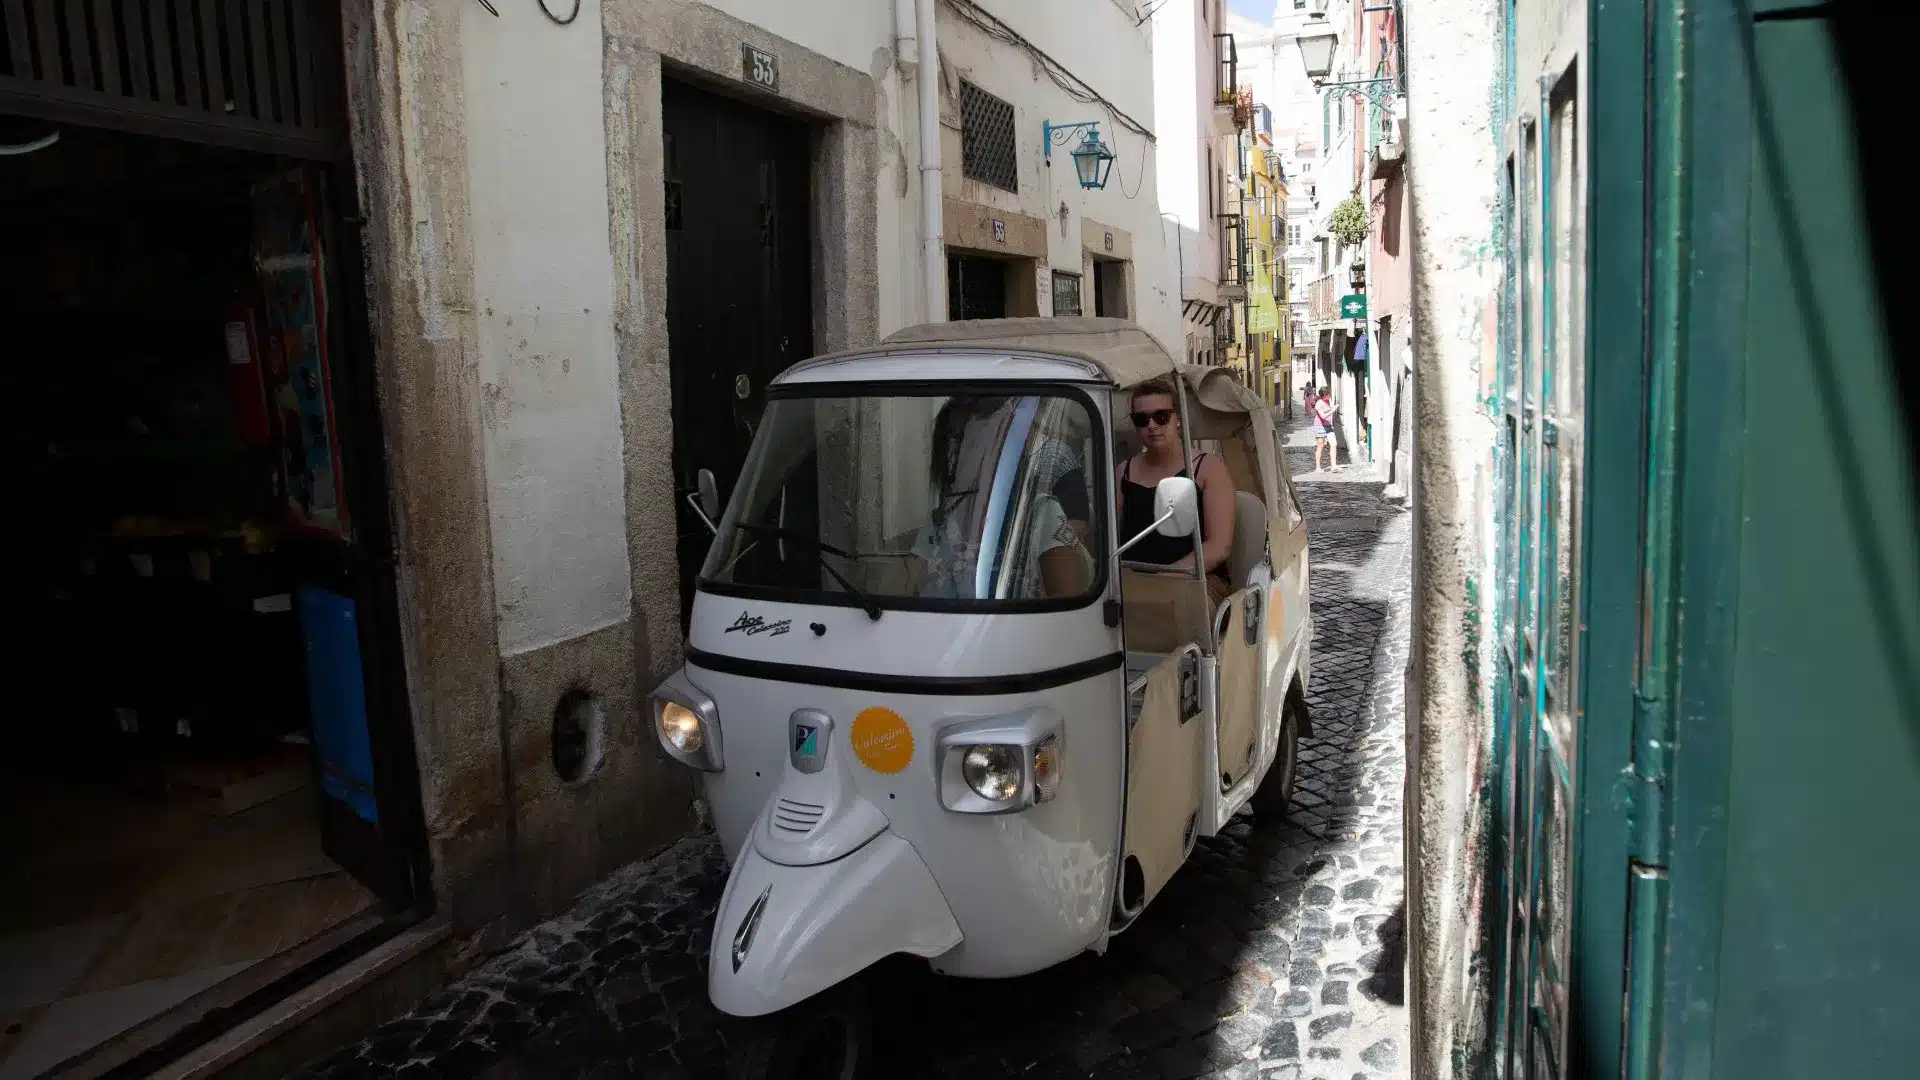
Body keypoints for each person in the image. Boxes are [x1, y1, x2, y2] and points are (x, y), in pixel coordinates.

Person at [910, 395, 1089, 600]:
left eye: (966, 436)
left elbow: (1067, 607)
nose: (955, 449)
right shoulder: (937, 524)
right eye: (950, 437)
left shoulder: (1040, 514)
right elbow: (906, 593)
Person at [1114, 378, 1235, 610]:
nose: (1151, 425)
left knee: (1183, 611)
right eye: (1142, 419)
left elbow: (1219, 546)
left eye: (1161, 417)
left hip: (1198, 578)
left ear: (1177, 419)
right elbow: (1114, 536)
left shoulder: (1208, 469)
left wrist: (1166, 579)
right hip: (1134, 579)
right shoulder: (1122, 472)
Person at [1312, 388, 1341, 472]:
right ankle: (1318, 467)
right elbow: (1323, 416)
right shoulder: (1319, 404)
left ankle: (1333, 466)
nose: (1330, 395)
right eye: (1329, 394)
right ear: (1325, 395)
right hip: (1320, 426)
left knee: (1334, 444)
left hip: (1328, 426)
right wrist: (1333, 410)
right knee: (1320, 446)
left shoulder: (1327, 401)